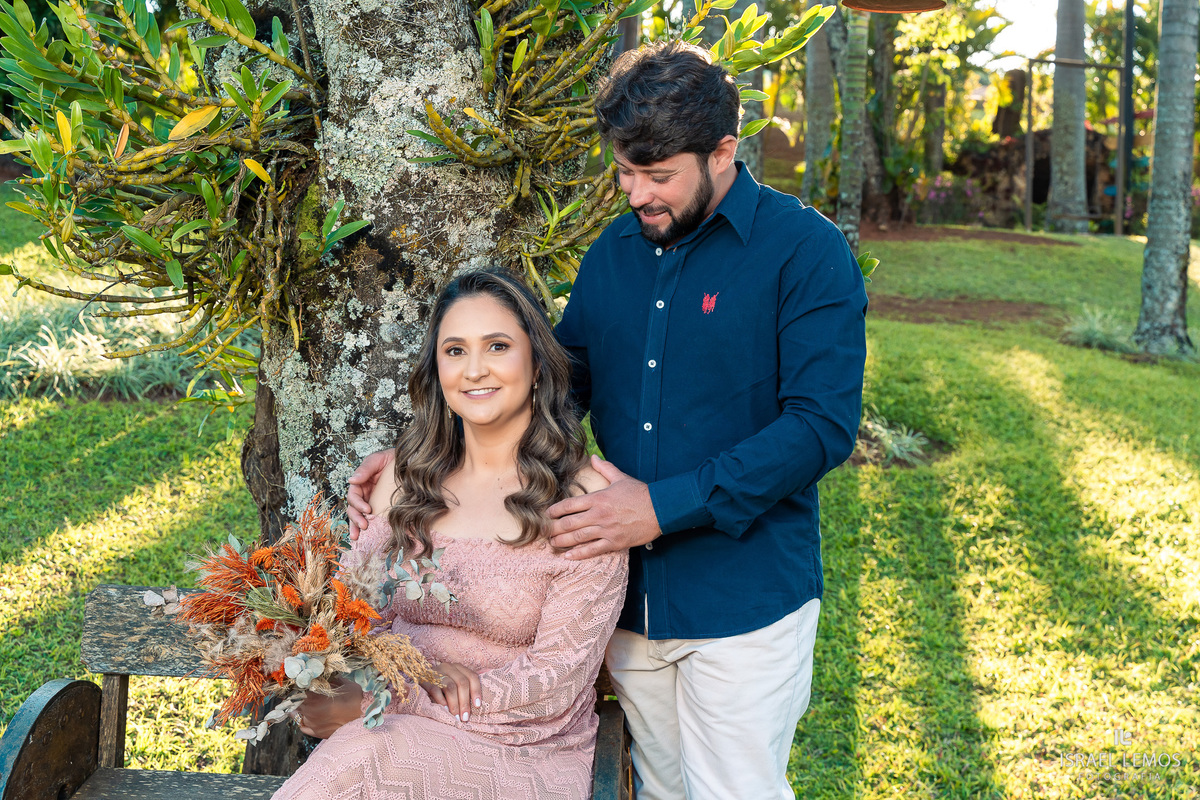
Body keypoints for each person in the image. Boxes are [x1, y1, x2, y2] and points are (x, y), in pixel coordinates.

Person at [348, 41, 868, 800]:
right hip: (625, 605)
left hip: (743, 596)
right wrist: (421, 452)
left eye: (659, 176)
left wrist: (659, 506)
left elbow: (821, 427)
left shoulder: (806, 252)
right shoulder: (614, 254)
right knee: (657, 791)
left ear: (723, 151)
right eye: (625, 172)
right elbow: (554, 384)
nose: (636, 195)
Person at [274, 269, 628, 800]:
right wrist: (364, 681)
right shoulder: (403, 479)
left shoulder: (584, 500)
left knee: (369, 755)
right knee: (370, 753)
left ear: (536, 364)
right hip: (390, 733)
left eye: (498, 346)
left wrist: (388, 697)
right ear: (436, 368)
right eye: (455, 350)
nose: (475, 369)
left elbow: (557, 684)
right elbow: (345, 617)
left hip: (524, 751)